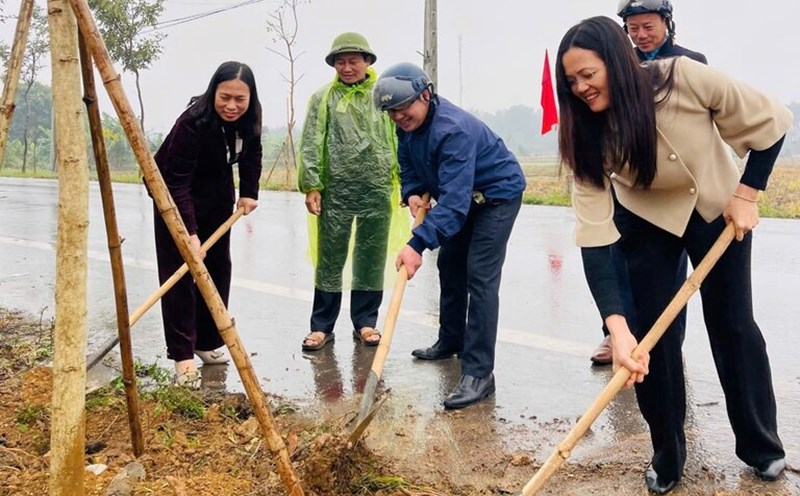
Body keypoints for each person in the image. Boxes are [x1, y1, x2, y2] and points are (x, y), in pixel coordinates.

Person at [556, 16, 790, 494]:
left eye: (588, 74)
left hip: (715, 206)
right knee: (652, 338)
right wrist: (618, 329)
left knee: (733, 325)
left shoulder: (683, 77)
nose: (580, 88)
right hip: (646, 221)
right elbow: (595, 238)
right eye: (571, 81)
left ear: (617, 63)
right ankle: (666, 454)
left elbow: (771, 120)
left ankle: (762, 446)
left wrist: (747, 194)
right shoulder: (585, 133)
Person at [373, 63, 526, 410]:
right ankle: (451, 339)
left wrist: (416, 244)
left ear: (425, 94)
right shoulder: (406, 126)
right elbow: (408, 162)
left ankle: (479, 374)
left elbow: (454, 206)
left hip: (496, 196)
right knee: (450, 264)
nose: (398, 117)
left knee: (480, 277)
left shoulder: (452, 130)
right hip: (464, 197)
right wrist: (413, 191)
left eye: (403, 107)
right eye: (391, 112)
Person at [591, 0, 709, 366]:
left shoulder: (690, 62)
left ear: (667, 23)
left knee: (672, 276)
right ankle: (617, 335)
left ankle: (669, 343)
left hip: (676, 184)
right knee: (621, 262)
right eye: (634, 28)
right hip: (629, 182)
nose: (641, 35)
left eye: (648, 26)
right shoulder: (618, 66)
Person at [153, 61, 263, 387]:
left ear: (250, 98)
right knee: (181, 277)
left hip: (216, 194)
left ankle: (205, 341)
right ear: (213, 91)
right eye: (224, 97)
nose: (232, 106)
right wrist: (188, 232)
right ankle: (182, 356)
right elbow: (176, 182)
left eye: (239, 99)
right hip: (173, 196)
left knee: (217, 269)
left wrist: (249, 192)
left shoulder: (250, 118)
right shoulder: (192, 123)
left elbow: (252, 153)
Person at [297, 32, 406, 352]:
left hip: (377, 188)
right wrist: (312, 185)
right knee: (330, 258)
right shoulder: (323, 99)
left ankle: (365, 322)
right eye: (340, 62)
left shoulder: (383, 97)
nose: (347, 68)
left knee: (370, 256)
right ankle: (321, 326)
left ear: (367, 61)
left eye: (353, 61)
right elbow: (311, 142)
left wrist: (406, 181)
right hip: (336, 191)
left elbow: (399, 137)